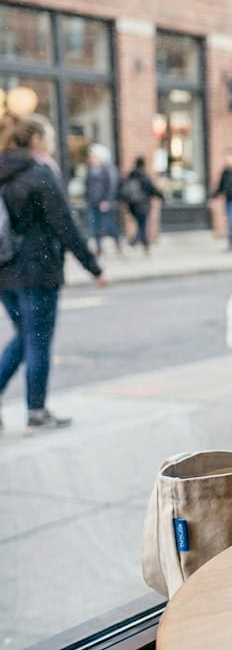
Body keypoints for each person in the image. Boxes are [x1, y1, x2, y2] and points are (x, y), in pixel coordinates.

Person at [0, 115, 107, 432]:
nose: (50, 143)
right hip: (38, 270)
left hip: (4, 270)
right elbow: (65, 225)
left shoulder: (3, 171)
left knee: (24, 338)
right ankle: (37, 411)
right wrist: (94, 267)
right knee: (37, 342)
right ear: (35, 140)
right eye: (47, 137)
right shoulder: (39, 173)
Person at [85, 143, 124, 257]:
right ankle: (99, 249)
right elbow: (87, 185)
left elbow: (111, 185)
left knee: (107, 226)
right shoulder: (91, 169)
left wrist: (107, 200)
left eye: (93, 155)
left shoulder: (107, 170)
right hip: (92, 202)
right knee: (94, 226)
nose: (91, 158)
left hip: (103, 203)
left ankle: (118, 241)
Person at [119, 156, 163, 254]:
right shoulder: (144, 176)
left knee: (141, 224)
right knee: (142, 226)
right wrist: (161, 196)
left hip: (131, 205)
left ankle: (146, 246)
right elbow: (152, 189)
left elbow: (123, 189)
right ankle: (133, 243)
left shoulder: (131, 175)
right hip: (142, 204)